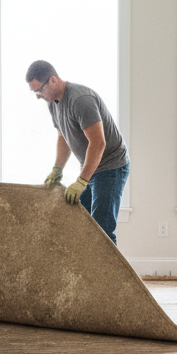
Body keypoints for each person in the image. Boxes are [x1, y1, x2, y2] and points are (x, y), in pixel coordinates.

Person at [25, 61, 130, 244]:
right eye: (34, 92)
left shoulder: (81, 100)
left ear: (53, 80)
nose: (38, 96)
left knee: (102, 232)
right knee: (81, 224)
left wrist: (82, 181)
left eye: (39, 90)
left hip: (111, 167)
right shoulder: (53, 103)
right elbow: (63, 136)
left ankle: (105, 265)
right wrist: (57, 169)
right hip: (91, 167)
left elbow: (98, 143)